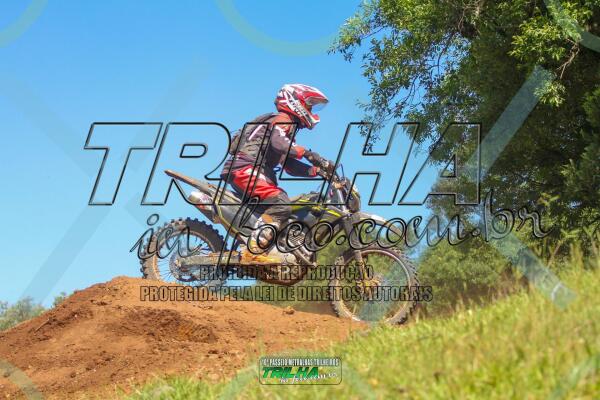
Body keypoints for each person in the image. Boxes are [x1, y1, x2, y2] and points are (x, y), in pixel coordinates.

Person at [220, 83, 333, 263]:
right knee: (281, 203)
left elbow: (288, 164)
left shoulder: (284, 126)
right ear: (295, 101)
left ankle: (264, 246)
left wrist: (316, 171)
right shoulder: (283, 119)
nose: (311, 110)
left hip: (250, 170)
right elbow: (279, 144)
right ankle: (253, 249)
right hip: (246, 168)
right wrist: (308, 154)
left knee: (280, 206)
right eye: (310, 105)